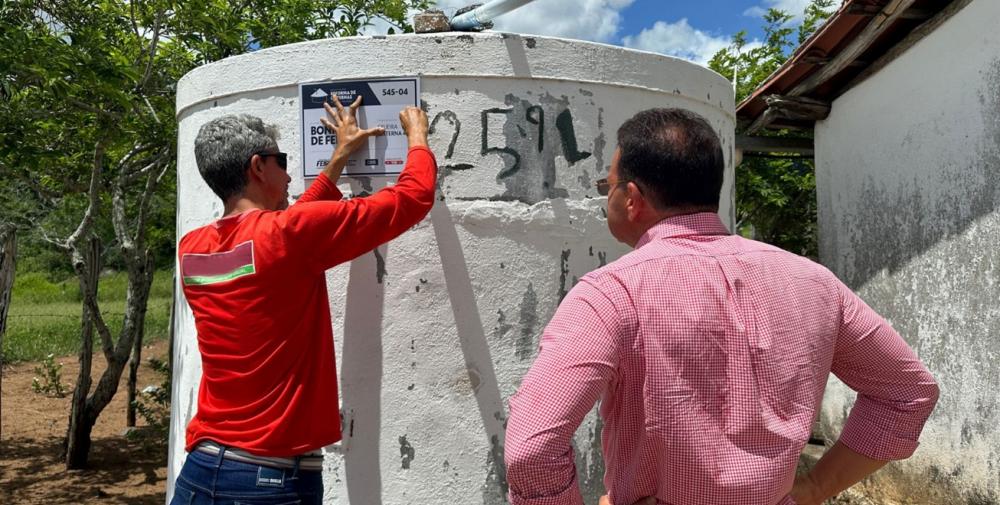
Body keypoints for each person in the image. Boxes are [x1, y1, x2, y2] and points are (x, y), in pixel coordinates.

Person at [503, 108, 939, 505]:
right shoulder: (814, 281)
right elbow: (908, 393)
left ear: (632, 198)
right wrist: (814, 488)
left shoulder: (612, 292)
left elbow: (531, 448)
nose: (607, 199)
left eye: (608, 186)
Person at [171, 97, 436, 505]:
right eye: (282, 161)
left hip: (201, 470)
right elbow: (411, 198)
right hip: (268, 481)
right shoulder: (287, 237)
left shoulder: (193, 249)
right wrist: (417, 135)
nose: (290, 172)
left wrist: (338, 159)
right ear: (257, 167)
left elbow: (283, 237)